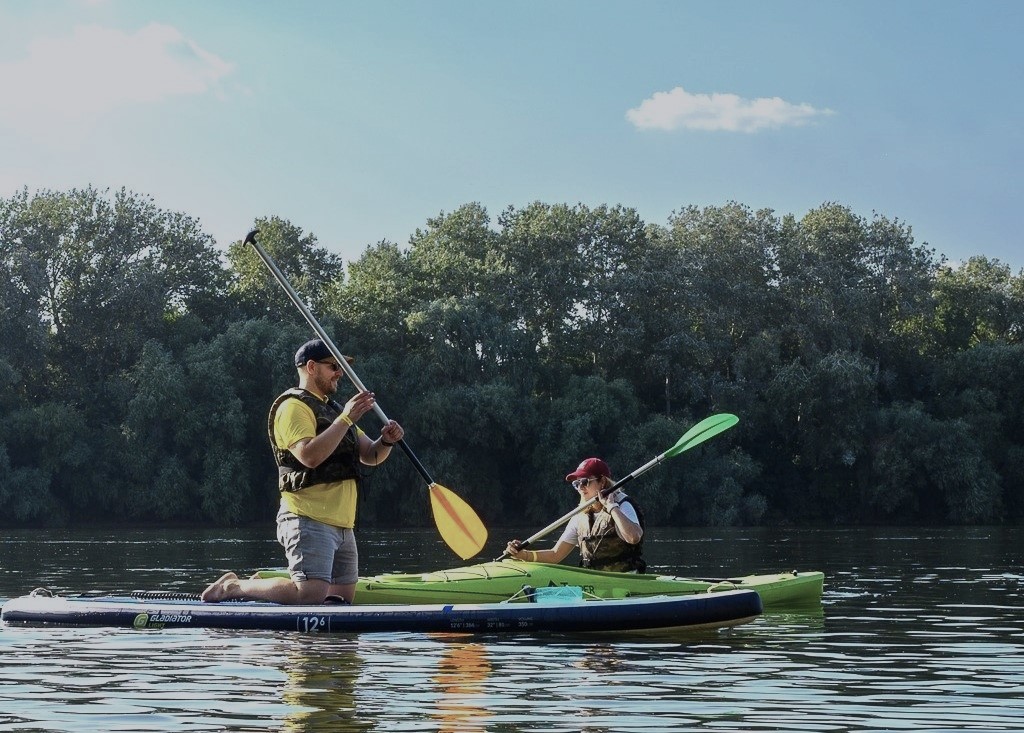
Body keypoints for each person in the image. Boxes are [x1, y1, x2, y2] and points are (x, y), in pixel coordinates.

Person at [201, 338, 404, 605]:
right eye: (334, 366)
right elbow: (309, 456)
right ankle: (233, 587)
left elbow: (369, 455)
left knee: (341, 599)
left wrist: (386, 441)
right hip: (307, 516)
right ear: (311, 367)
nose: (339, 373)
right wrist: (346, 418)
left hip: (343, 523)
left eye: (341, 367)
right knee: (309, 594)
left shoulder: (333, 410)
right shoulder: (293, 407)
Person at [504, 457, 646, 573]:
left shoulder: (622, 505)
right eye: (576, 484)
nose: (580, 488)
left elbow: (633, 537)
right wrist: (524, 555)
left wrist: (611, 507)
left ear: (602, 482)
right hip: (595, 582)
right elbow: (555, 555)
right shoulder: (580, 516)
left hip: (626, 579)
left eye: (585, 482)